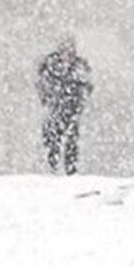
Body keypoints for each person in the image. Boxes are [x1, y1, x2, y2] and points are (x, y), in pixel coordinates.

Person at [37, 36, 93, 175]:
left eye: (71, 50)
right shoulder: (51, 66)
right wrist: (49, 99)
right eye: (65, 50)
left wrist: (80, 101)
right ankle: (52, 168)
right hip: (55, 109)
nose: (68, 54)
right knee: (52, 139)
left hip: (72, 109)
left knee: (71, 140)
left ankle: (70, 170)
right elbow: (43, 85)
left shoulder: (79, 67)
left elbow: (87, 86)